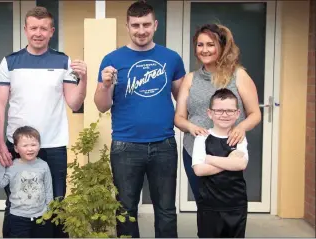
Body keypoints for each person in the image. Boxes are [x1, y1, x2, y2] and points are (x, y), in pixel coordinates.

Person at [0, 6, 87, 238]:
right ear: (25, 29)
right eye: (33, 27)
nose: (38, 33)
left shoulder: (62, 61)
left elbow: (75, 103)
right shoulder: (10, 62)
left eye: (44, 28)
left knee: (55, 203)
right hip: (16, 146)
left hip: (53, 146)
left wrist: (83, 79)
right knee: (16, 203)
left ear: (51, 31)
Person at [94, 1, 185, 238]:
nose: (141, 30)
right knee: (125, 210)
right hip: (125, 146)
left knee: (165, 210)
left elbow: (183, 100)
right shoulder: (112, 60)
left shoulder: (171, 58)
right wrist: (105, 85)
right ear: (127, 26)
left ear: (155, 25)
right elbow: (102, 105)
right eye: (135, 25)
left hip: (164, 144)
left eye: (146, 24)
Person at [174, 23, 261, 201]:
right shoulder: (190, 79)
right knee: (204, 203)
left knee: (227, 204)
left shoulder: (239, 76)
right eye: (200, 45)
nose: (204, 50)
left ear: (222, 47)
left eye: (210, 44)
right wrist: (190, 127)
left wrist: (241, 127)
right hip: (196, 150)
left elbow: (255, 114)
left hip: (229, 150)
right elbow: (179, 117)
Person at [191, 88, 249, 238]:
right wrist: (229, 160)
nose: (224, 115)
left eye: (230, 111)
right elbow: (199, 170)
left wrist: (209, 159)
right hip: (209, 205)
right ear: (210, 113)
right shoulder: (202, 138)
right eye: (219, 110)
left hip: (236, 204)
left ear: (237, 114)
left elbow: (241, 165)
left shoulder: (239, 137)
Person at [0, 126, 53, 238]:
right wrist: (1, 162)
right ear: (16, 148)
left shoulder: (43, 165)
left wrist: (48, 211)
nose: (30, 149)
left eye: (33, 145)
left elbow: (48, 189)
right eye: (25, 145)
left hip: (41, 217)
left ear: (39, 146)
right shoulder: (12, 166)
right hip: (17, 218)